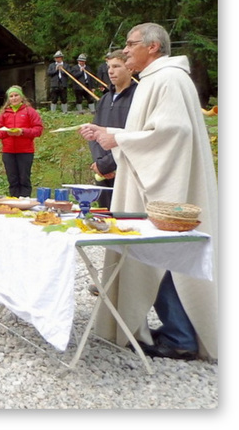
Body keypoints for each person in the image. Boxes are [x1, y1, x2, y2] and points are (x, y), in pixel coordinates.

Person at [82, 23, 217, 361]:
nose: (125, 51)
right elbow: (150, 132)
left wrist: (121, 139)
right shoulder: (156, 79)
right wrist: (110, 133)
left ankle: (181, 336)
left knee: (159, 256)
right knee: (155, 256)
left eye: (131, 44)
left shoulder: (168, 79)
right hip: (154, 177)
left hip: (164, 186)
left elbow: (173, 132)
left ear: (153, 47)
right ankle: (176, 330)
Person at [87, 49, 136, 210]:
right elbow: (95, 134)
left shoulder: (139, 97)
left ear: (130, 68)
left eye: (116, 66)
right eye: (109, 67)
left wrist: (111, 165)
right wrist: (100, 165)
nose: (110, 71)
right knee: (104, 218)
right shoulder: (104, 99)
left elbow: (135, 135)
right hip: (102, 172)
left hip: (127, 170)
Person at [0, 85, 43, 197]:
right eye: (11, 96)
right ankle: (14, 203)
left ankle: (25, 202)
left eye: (16, 95)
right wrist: (7, 132)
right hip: (8, 151)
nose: (14, 98)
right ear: (8, 99)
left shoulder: (30, 111)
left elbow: (38, 130)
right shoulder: (4, 113)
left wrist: (23, 131)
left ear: (22, 97)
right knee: (12, 179)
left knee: (24, 179)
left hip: (25, 151)